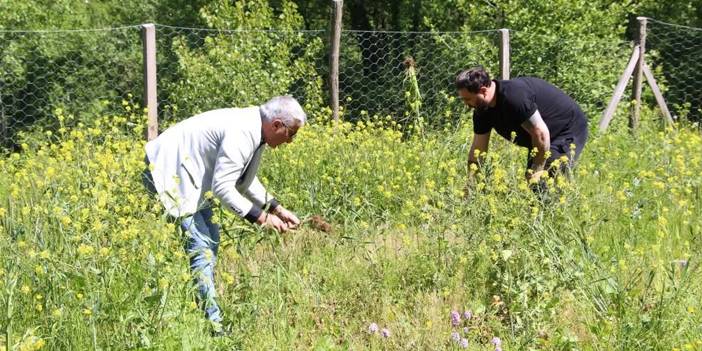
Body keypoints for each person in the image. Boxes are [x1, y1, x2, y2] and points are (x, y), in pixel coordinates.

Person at [142, 95, 305, 333]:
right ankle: (213, 327)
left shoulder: (256, 130)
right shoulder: (243, 131)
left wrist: (276, 208)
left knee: (211, 241)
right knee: (201, 248)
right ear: (277, 125)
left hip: (189, 177)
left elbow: (245, 181)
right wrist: (261, 218)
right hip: (167, 169)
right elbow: (223, 188)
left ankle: (200, 306)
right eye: (292, 134)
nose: (290, 141)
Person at [455, 66, 588, 189]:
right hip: (540, 138)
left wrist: (537, 169)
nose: (466, 104)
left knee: (543, 184)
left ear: (483, 91)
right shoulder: (482, 110)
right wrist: (471, 184)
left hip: (566, 129)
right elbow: (478, 148)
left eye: (468, 99)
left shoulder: (514, 97)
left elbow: (541, 133)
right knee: (534, 186)